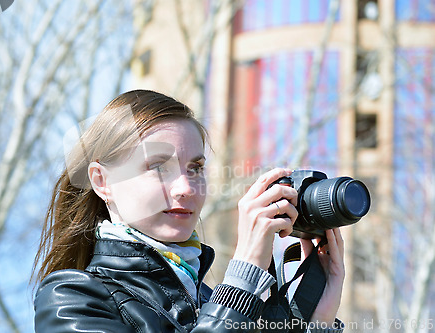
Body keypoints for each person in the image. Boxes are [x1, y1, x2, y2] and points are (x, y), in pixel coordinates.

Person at [32, 89, 345, 332]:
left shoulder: (214, 301)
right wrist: (244, 274)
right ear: (102, 181)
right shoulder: (71, 298)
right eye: (158, 167)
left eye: (195, 167)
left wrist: (317, 321)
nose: (186, 187)